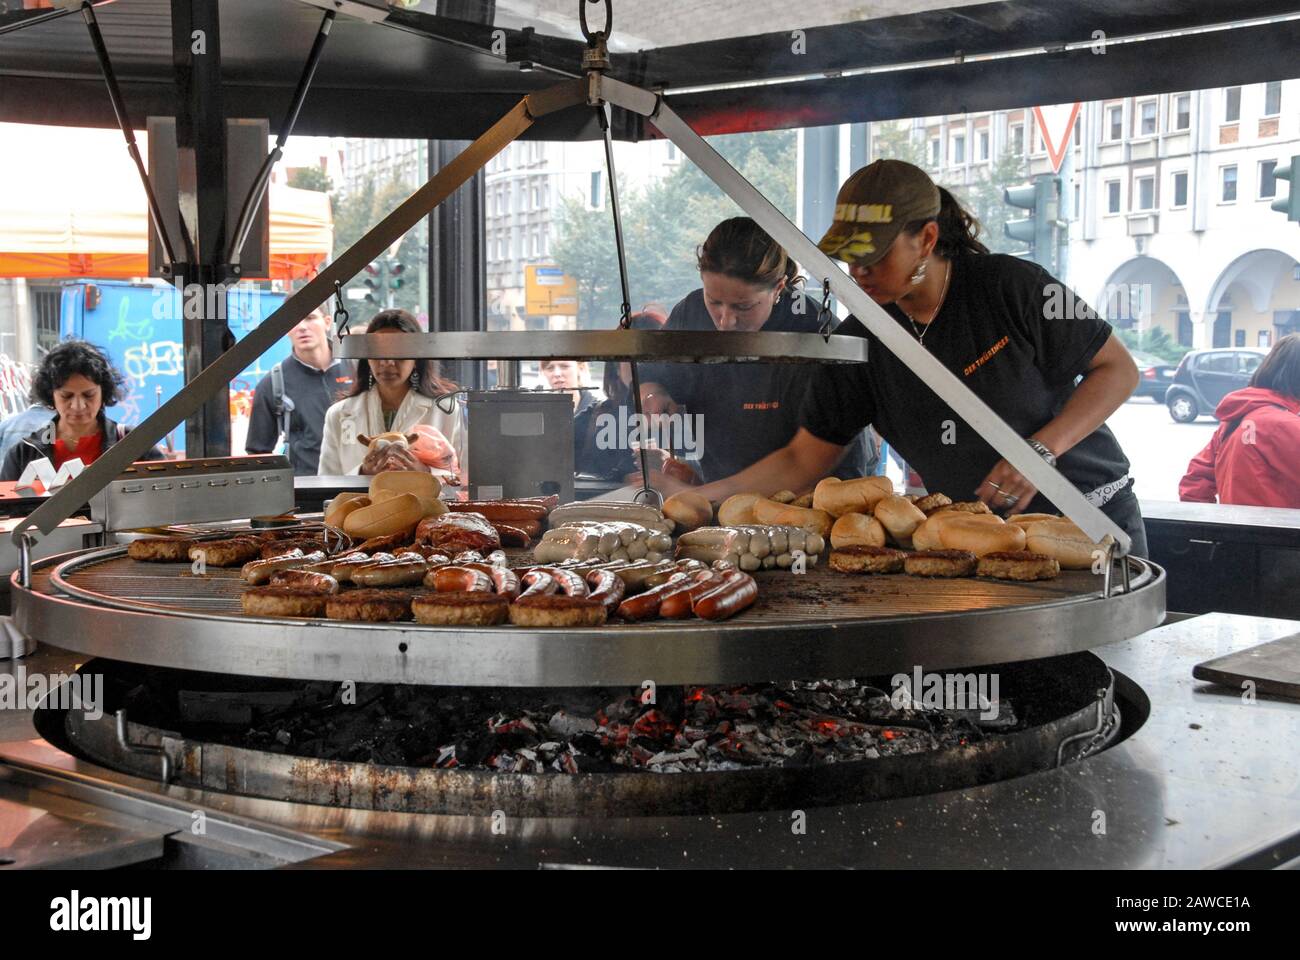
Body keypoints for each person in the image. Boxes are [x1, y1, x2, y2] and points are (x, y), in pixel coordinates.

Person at [660, 161, 1148, 556]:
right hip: (974, 541)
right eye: (851, 259)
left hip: (1088, 522)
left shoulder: (1011, 286)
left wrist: (1039, 452)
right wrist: (704, 495)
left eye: (875, 257)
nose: (860, 273)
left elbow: (1118, 371)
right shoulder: (859, 343)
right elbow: (801, 460)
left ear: (928, 240)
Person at [637, 217, 873, 484]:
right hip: (719, 495)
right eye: (714, 301)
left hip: (809, 498)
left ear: (778, 289)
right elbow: (651, 373)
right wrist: (654, 393)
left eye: (744, 307)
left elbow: (834, 460)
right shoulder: (690, 313)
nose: (726, 321)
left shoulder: (816, 333)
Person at [317, 309, 465, 478]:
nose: (388, 363)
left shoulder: (447, 411)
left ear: (416, 358)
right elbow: (326, 482)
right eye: (379, 353)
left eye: (399, 353)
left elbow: (465, 479)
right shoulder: (339, 414)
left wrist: (425, 473)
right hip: (362, 505)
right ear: (367, 357)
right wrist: (363, 473)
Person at [1, 339, 164, 481]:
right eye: (66, 396)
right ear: (51, 395)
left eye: (89, 395)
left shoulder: (135, 445)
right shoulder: (23, 454)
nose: (78, 405)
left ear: (103, 392)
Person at [1179, 333, 1300, 508]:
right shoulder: (1286, 426)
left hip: (1236, 532)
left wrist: (1214, 527)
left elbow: (1195, 484)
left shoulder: (1235, 420)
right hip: (1279, 533)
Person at [245, 305, 355, 475]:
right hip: (307, 491)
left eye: (310, 318)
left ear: (327, 322)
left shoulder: (356, 369)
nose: (302, 327)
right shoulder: (274, 382)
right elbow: (258, 454)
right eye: (293, 321)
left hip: (357, 485)